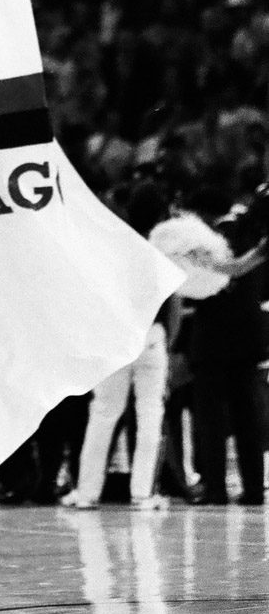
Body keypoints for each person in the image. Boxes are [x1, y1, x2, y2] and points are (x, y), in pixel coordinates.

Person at [65, 180, 184, 511]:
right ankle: (143, 494)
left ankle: (87, 493)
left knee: (103, 414)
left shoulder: (113, 243)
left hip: (115, 335)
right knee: (150, 414)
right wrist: (167, 342)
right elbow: (173, 301)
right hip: (151, 335)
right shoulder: (164, 246)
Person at [180, 182, 268, 505]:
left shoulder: (216, 236)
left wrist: (196, 260)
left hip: (214, 337)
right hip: (250, 336)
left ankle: (216, 488)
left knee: (211, 418)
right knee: (249, 418)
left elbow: (225, 274)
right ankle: (255, 489)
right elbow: (241, 269)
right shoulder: (258, 236)